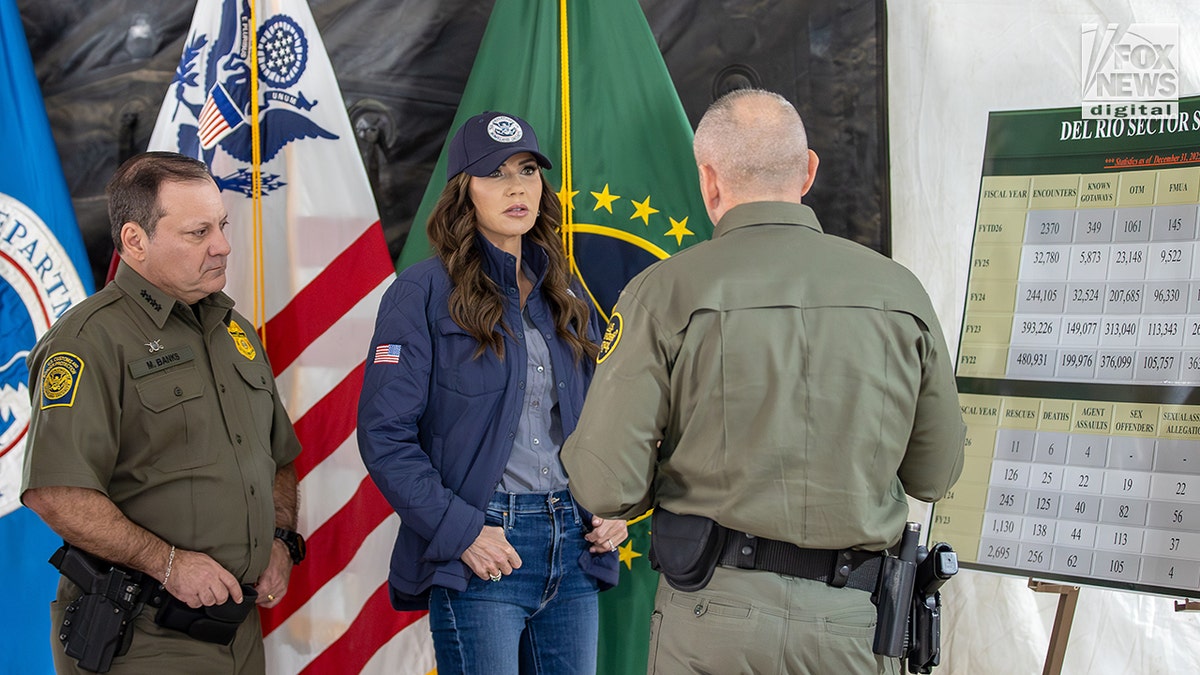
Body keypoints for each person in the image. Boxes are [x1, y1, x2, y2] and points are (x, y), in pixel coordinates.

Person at [561, 89, 967, 674]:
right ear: (808, 171)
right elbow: (935, 475)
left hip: (712, 621)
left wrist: (666, 472)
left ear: (709, 181)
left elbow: (605, 487)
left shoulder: (664, 291)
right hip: (853, 624)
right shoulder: (899, 292)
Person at [357, 110, 626, 675]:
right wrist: (462, 533)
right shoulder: (421, 292)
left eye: (527, 171)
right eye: (495, 173)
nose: (516, 187)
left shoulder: (566, 291)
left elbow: (606, 417)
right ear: (464, 192)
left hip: (574, 543)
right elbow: (384, 435)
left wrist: (615, 505)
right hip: (484, 545)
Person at [21, 151, 305, 674]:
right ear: (135, 241)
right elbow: (56, 494)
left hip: (238, 631)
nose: (223, 246)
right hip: (142, 636)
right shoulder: (88, 343)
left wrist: (280, 539)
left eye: (221, 226)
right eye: (199, 233)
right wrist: (168, 564)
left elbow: (278, 456)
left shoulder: (234, 331)